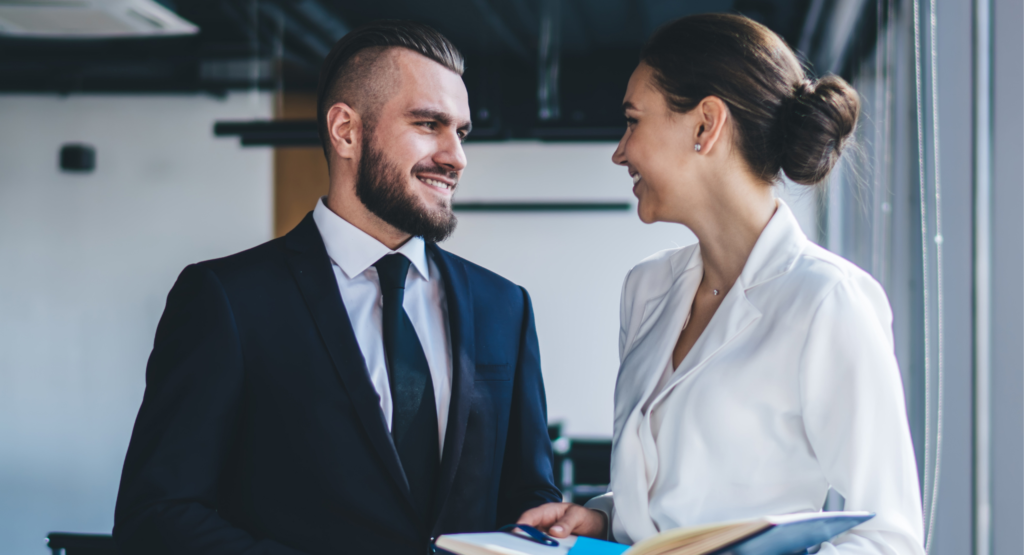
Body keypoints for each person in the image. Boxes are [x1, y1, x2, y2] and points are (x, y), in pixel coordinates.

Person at [114, 20, 560, 555]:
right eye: (428, 123)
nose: (456, 156)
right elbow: (158, 516)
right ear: (346, 130)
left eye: (460, 132)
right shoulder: (227, 299)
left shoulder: (504, 307)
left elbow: (530, 498)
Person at [518, 13, 925, 555]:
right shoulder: (646, 289)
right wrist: (602, 518)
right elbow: (673, 509)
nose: (620, 150)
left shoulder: (827, 301)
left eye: (633, 120)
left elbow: (889, 540)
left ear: (705, 125)